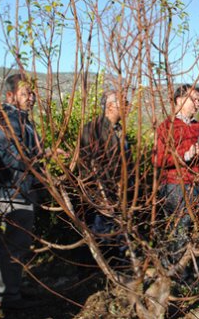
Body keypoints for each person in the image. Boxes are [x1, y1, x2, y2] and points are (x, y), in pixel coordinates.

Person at [0, 73, 44, 310]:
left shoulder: (21, 120)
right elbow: (12, 158)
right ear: (11, 95)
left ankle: (8, 290)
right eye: (25, 93)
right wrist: (42, 156)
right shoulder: (8, 121)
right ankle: (7, 296)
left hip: (19, 189)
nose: (31, 98)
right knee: (14, 244)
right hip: (13, 191)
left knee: (13, 244)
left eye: (32, 93)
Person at [154, 84, 199, 271]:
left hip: (196, 184)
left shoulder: (198, 127)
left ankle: (188, 270)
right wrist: (183, 157)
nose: (197, 104)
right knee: (179, 227)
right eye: (194, 100)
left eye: (198, 100)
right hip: (175, 185)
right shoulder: (167, 127)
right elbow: (158, 159)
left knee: (195, 227)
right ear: (179, 100)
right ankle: (175, 271)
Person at [78, 90, 132, 271]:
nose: (128, 106)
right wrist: (100, 196)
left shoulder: (118, 131)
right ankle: (94, 277)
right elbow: (90, 166)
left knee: (119, 235)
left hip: (118, 194)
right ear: (110, 106)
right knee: (101, 236)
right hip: (101, 195)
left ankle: (120, 273)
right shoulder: (92, 129)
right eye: (123, 102)